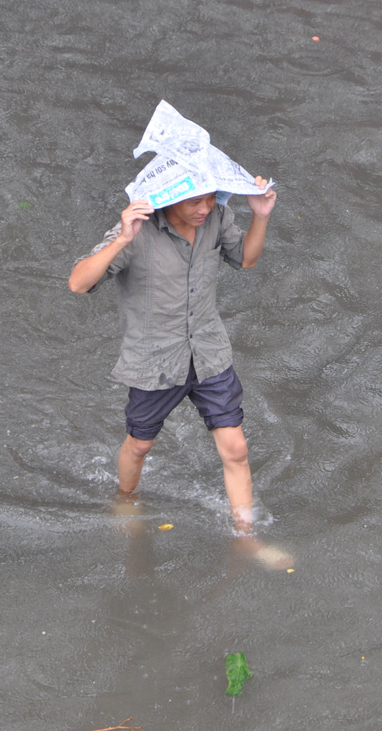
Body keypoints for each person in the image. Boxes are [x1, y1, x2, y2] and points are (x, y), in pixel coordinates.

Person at [69, 176, 290, 566]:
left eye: (209, 198)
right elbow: (78, 284)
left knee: (236, 449)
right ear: (168, 197)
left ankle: (246, 537)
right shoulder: (137, 230)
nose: (204, 208)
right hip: (155, 360)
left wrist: (261, 217)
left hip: (208, 352)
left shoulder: (218, 218)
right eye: (194, 201)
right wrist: (121, 239)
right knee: (139, 444)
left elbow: (247, 259)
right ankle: (126, 498)